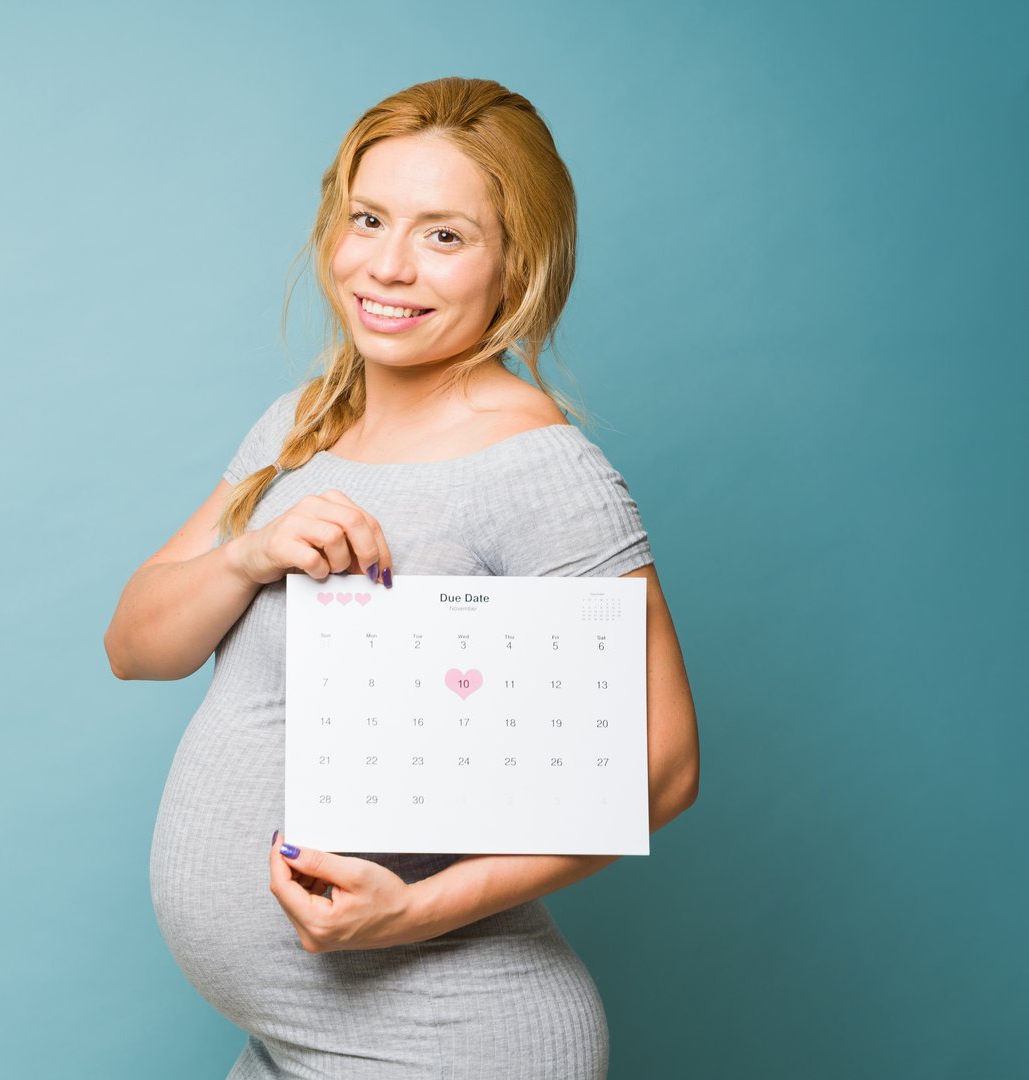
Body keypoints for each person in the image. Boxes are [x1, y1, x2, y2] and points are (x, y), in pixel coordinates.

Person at [103, 76, 699, 1079]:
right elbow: (135, 646)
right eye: (369, 219)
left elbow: (667, 769)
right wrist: (253, 553)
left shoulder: (541, 470)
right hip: (288, 1041)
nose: (386, 266)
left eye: (444, 236)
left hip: (443, 1040)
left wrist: (417, 910)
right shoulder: (304, 424)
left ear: (519, 263)